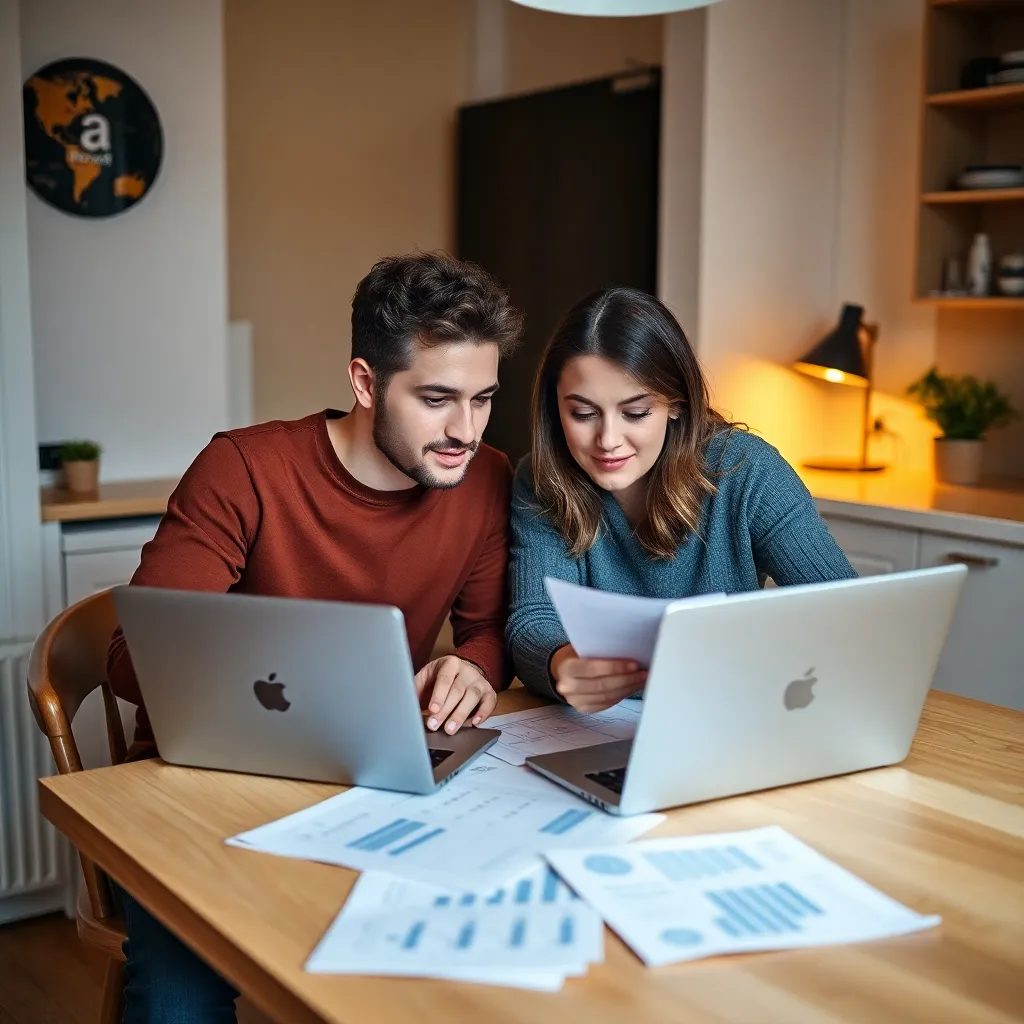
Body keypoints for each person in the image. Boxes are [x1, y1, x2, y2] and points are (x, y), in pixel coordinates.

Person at [106, 251, 522, 1023]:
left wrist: (471, 663)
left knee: (461, 973)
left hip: (371, 784)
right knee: (178, 1003)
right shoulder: (243, 468)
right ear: (365, 383)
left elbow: (491, 629)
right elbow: (134, 664)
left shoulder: (487, 478)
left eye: (483, 399)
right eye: (436, 399)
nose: (463, 430)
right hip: (201, 791)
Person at [507, 287, 856, 713]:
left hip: (732, 713)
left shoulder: (747, 471)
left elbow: (849, 616)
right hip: (605, 726)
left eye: (636, 413)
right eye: (582, 413)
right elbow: (532, 620)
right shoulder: (541, 479)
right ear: (554, 407)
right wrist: (561, 662)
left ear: (676, 404)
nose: (608, 440)